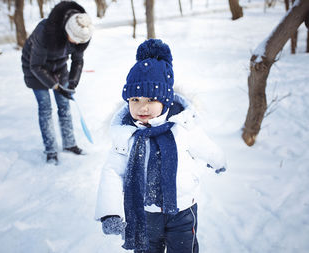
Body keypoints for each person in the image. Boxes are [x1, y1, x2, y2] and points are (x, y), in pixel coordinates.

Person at [95, 39, 227, 253]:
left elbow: (203, 145)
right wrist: (110, 212)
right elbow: (111, 171)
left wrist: (218, 160)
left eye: (151, 99)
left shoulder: (183, 125)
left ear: (165, 100)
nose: (142, 107)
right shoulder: (126, 135)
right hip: (144, 213)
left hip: (183, 210)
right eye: (135, 99)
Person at [21, 1, 94, 164]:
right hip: (35, 68)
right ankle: (51, 150)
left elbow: (78, 60)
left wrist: (73, 82)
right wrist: (54, 86)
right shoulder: (44, 32)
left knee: (64, 105)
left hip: (59, 68)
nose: (76, 44)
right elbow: (36, 66)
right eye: (74, 40)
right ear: (65, 31)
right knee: (45, 108)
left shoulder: (83, 30)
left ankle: (69, 144)